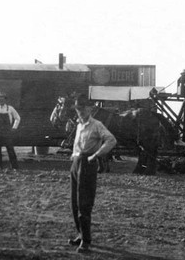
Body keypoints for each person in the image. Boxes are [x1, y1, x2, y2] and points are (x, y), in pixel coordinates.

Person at [68, 93, 117, 253]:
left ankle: (86, 241)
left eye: (83, 108)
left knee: (84, 203)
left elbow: (111, 140)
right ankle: (80, 234)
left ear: (90, 109)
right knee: (74, 203)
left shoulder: (97, 125)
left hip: (88, 165)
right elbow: (77, 144)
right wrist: (74, 156)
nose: (81, 111)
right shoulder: (79, 125)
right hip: (76, 164)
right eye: (78, 109)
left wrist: (96, 155)